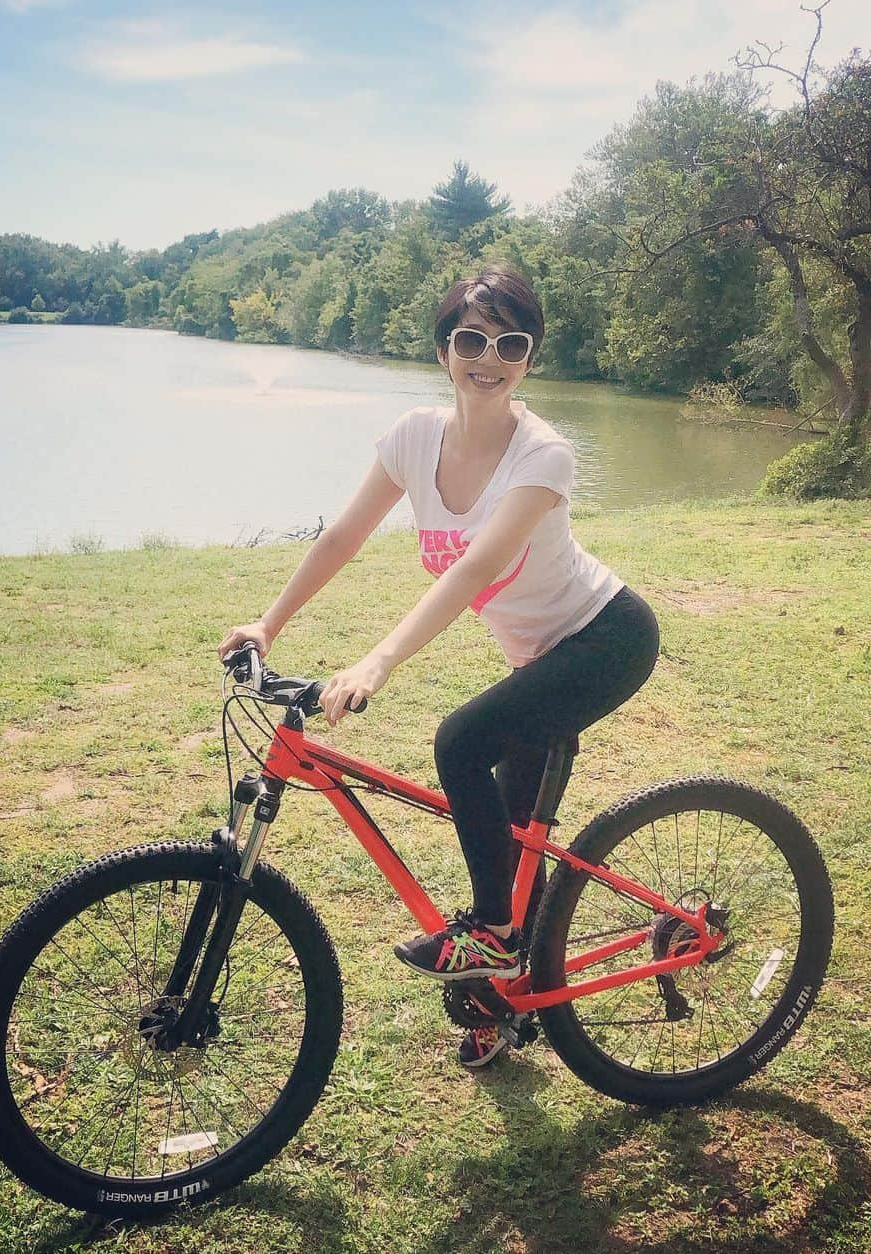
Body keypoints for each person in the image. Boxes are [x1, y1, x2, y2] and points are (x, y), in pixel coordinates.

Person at [218, 264, 660, 1070]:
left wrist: (377, 663)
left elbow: (473, 570)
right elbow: (341, 537)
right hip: (538, 655)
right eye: (470, 338)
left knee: (459, 742)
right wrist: (268, 623)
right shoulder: (415, 438)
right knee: (504, 828)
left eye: (510, 343)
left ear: (529, 358)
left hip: (606, 640)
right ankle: (501, 990)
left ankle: (490, 940)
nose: (487, 357)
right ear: (442, 346)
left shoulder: (545, 456)